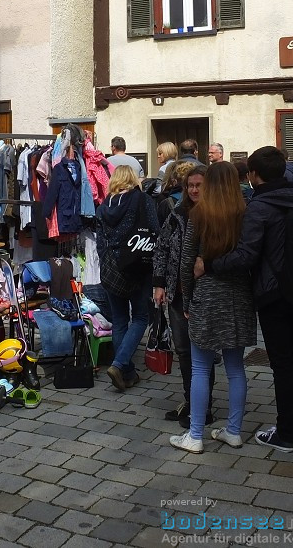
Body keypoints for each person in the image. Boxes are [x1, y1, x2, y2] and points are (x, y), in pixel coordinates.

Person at [201, 146, 293, 452]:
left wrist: (210, 265)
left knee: (281, 363)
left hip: (275, 293)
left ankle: (284, 432)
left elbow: (246, 255)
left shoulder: (260, 206)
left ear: (253, 175)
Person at [170, 161, 254, 454]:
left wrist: (188, 297)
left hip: (206, 296)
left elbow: (185, 261)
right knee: (235, 368)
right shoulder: (245, 214)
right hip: (239, 297)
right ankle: (233, 430)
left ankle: (194, 435)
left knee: (200, 368)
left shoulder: (200, 214)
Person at [152, 164, 213, 428]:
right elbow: (161, 248)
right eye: (190, 185)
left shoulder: (214, 215)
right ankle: (190, 402)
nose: (194, 189)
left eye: (199, 185)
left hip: (202, 294)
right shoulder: (177, 213)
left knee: (202, 352)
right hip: (176, 292)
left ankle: (203, 407)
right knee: (183, 351)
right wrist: (158, 283)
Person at [96, 165, 159, 391]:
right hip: (137, 265)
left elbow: (100, 241)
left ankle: (128, 373)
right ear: (133, 179)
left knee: (120, 320)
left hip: (111, 268)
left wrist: (106, 259)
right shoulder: (142, 199)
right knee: (141, 317)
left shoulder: (104, 206)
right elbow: (155, 229)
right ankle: (120, 363)